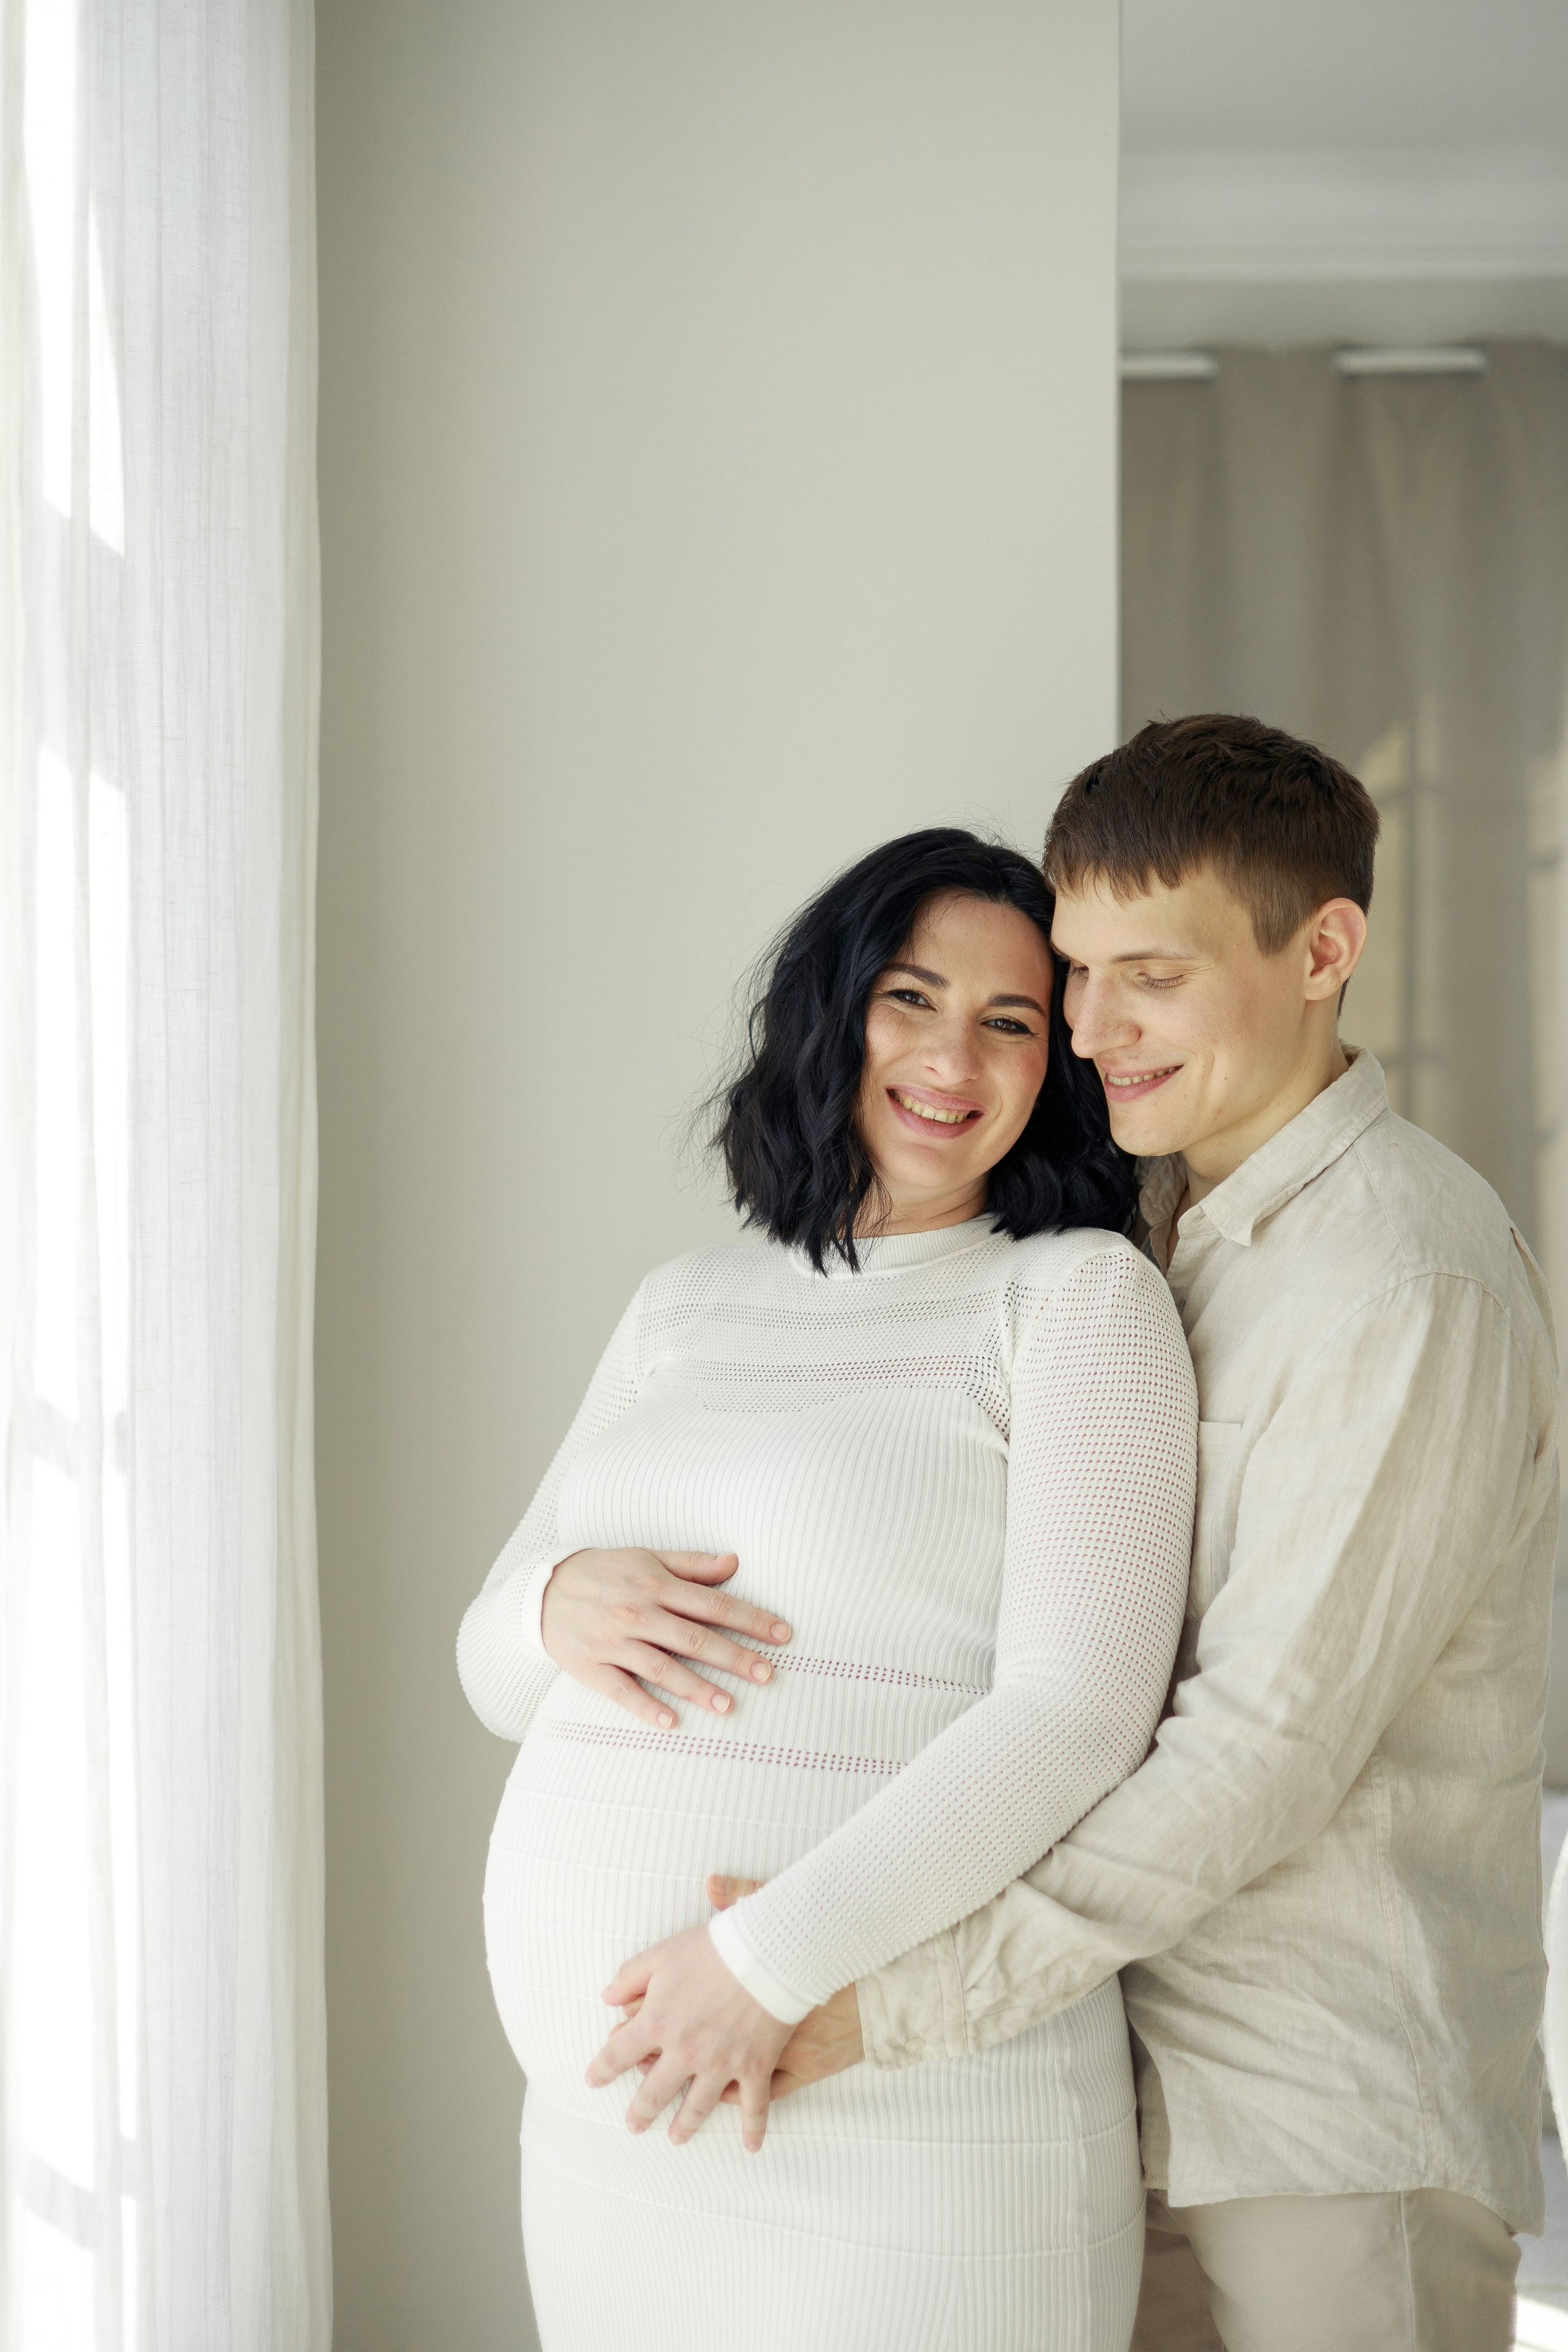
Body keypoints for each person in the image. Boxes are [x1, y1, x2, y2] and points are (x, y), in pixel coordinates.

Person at [565, 716, 1558, 2352]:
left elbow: (1261, 1752)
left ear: (1325, 951)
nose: (1095, 1028)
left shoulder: (1403, 1275)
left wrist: (864, 1993)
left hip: (1320, 2112)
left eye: (1149, 975)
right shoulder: (1156, 1243)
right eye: (1078, 974)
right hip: (1111, 2071)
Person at [456, 827, 1197, 2352]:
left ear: (1054, 1064)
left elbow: (1077, 1717)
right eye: (909, 999)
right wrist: (551, 1605)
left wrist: (757, 1964)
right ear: (832, 1010)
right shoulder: (683, 1308)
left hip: (903, 2108)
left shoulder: (1071, 1300)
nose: (950, 1058)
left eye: (1007, 1021)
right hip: (614, 2137)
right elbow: (488, 1676)